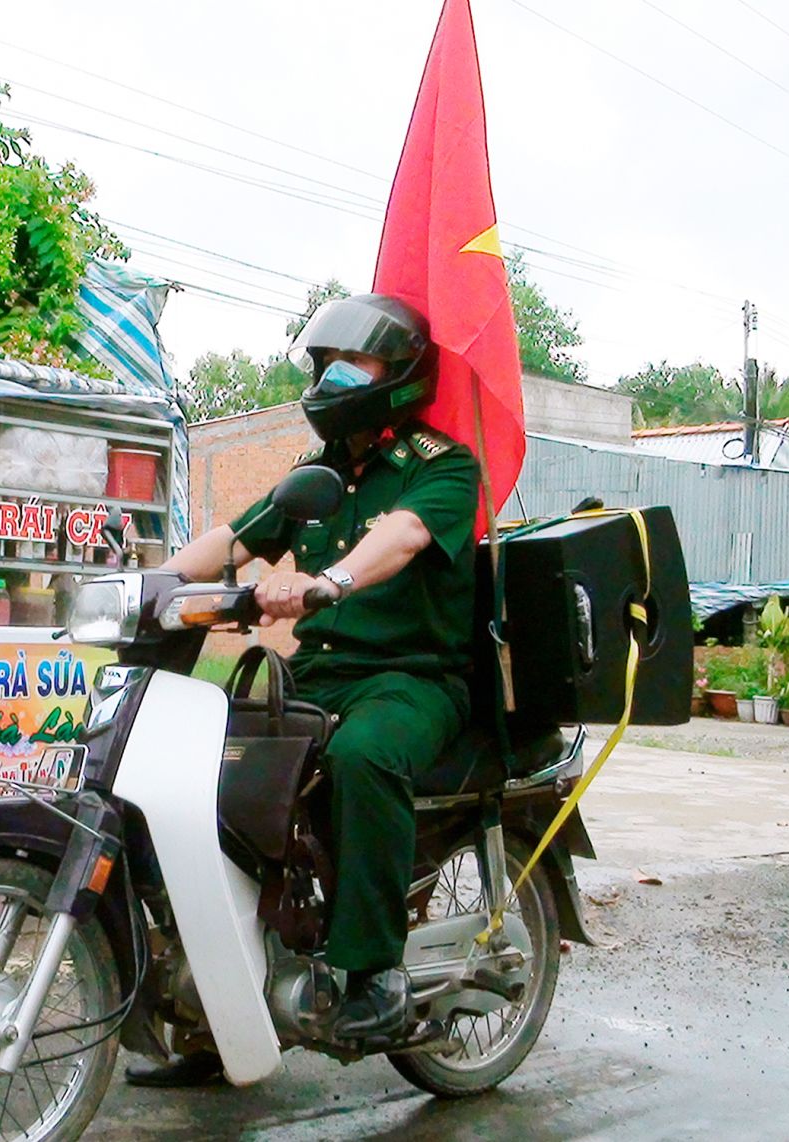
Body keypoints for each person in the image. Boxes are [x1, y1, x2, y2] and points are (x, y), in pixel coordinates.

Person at [126, 294, 480, 1088]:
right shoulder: (312, 478)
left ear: (399, 376)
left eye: (352, 364)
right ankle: (220, 1005)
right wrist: (151, 580)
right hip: (320, 675)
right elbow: (238, 540)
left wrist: (329, 582)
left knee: (363, 756)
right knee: (204, 769)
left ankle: (374, 975)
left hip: (413, 680)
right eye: (322, 365)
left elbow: (406, 534)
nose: (332, 378)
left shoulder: (443, 465)